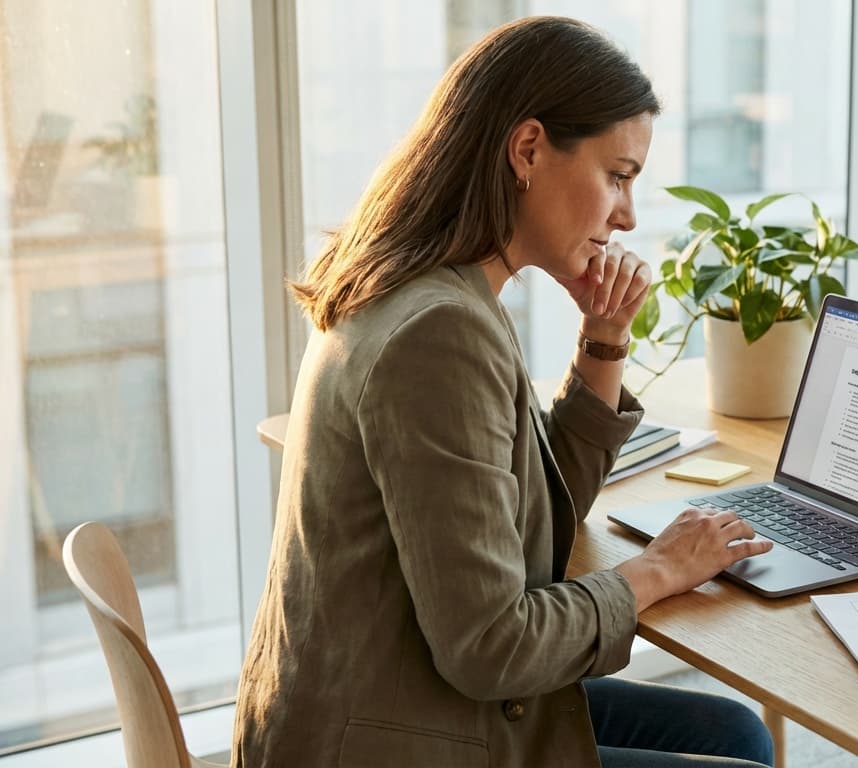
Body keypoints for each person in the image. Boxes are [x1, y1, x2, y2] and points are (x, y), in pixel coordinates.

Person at [232, 15, 778, 768]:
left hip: (388, 690)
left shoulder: (430, 289)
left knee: (734, 735)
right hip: (388, 737)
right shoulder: (439, 333)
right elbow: (491, 647)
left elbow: (534, 524)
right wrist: (658, 570)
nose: (628, 215)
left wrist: (604, 338)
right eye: (616, 176)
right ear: (527, 150)